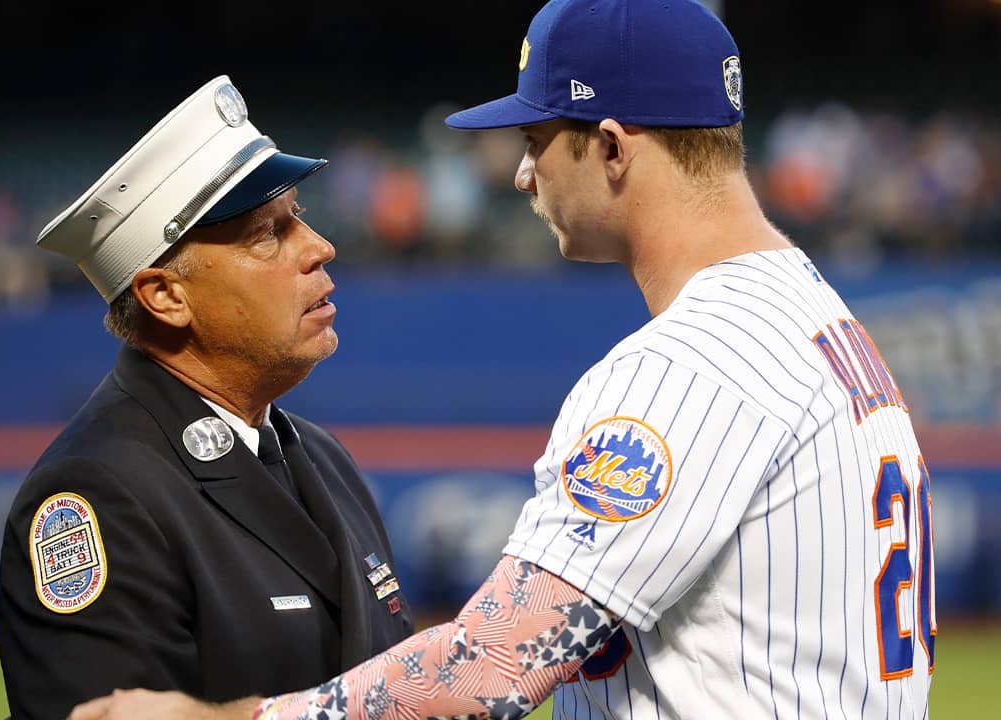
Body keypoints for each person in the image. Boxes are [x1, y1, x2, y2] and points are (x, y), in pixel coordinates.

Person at [69, 2, 936, 718]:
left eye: (536, 141)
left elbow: (487, 671)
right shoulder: (825, 325)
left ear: (612, 147)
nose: (524, 177)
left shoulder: (690, 363)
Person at [0, 75, 415, 720]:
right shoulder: (98, 493)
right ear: (165, 296)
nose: (320, 247)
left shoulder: (323, 456)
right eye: (266, 233)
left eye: (298, 215)